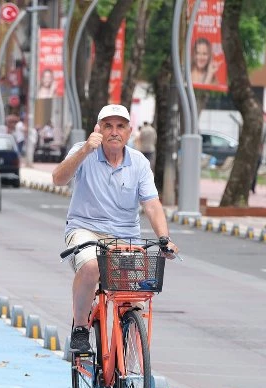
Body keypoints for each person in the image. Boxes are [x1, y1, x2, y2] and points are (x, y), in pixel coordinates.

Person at [52, 104, 179, 354]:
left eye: (120, 126)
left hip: (125, 238)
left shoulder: (139, 162)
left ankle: (130, 368)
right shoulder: (83, 151)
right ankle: (80, 328)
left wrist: (165, 238)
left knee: (134, 297)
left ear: (129, 131)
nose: (114, 132)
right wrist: (85, 150)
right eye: (107, 126)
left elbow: (151, 204)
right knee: (90, 266)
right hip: (85, 230)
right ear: (97, 129)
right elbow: (58, 178)